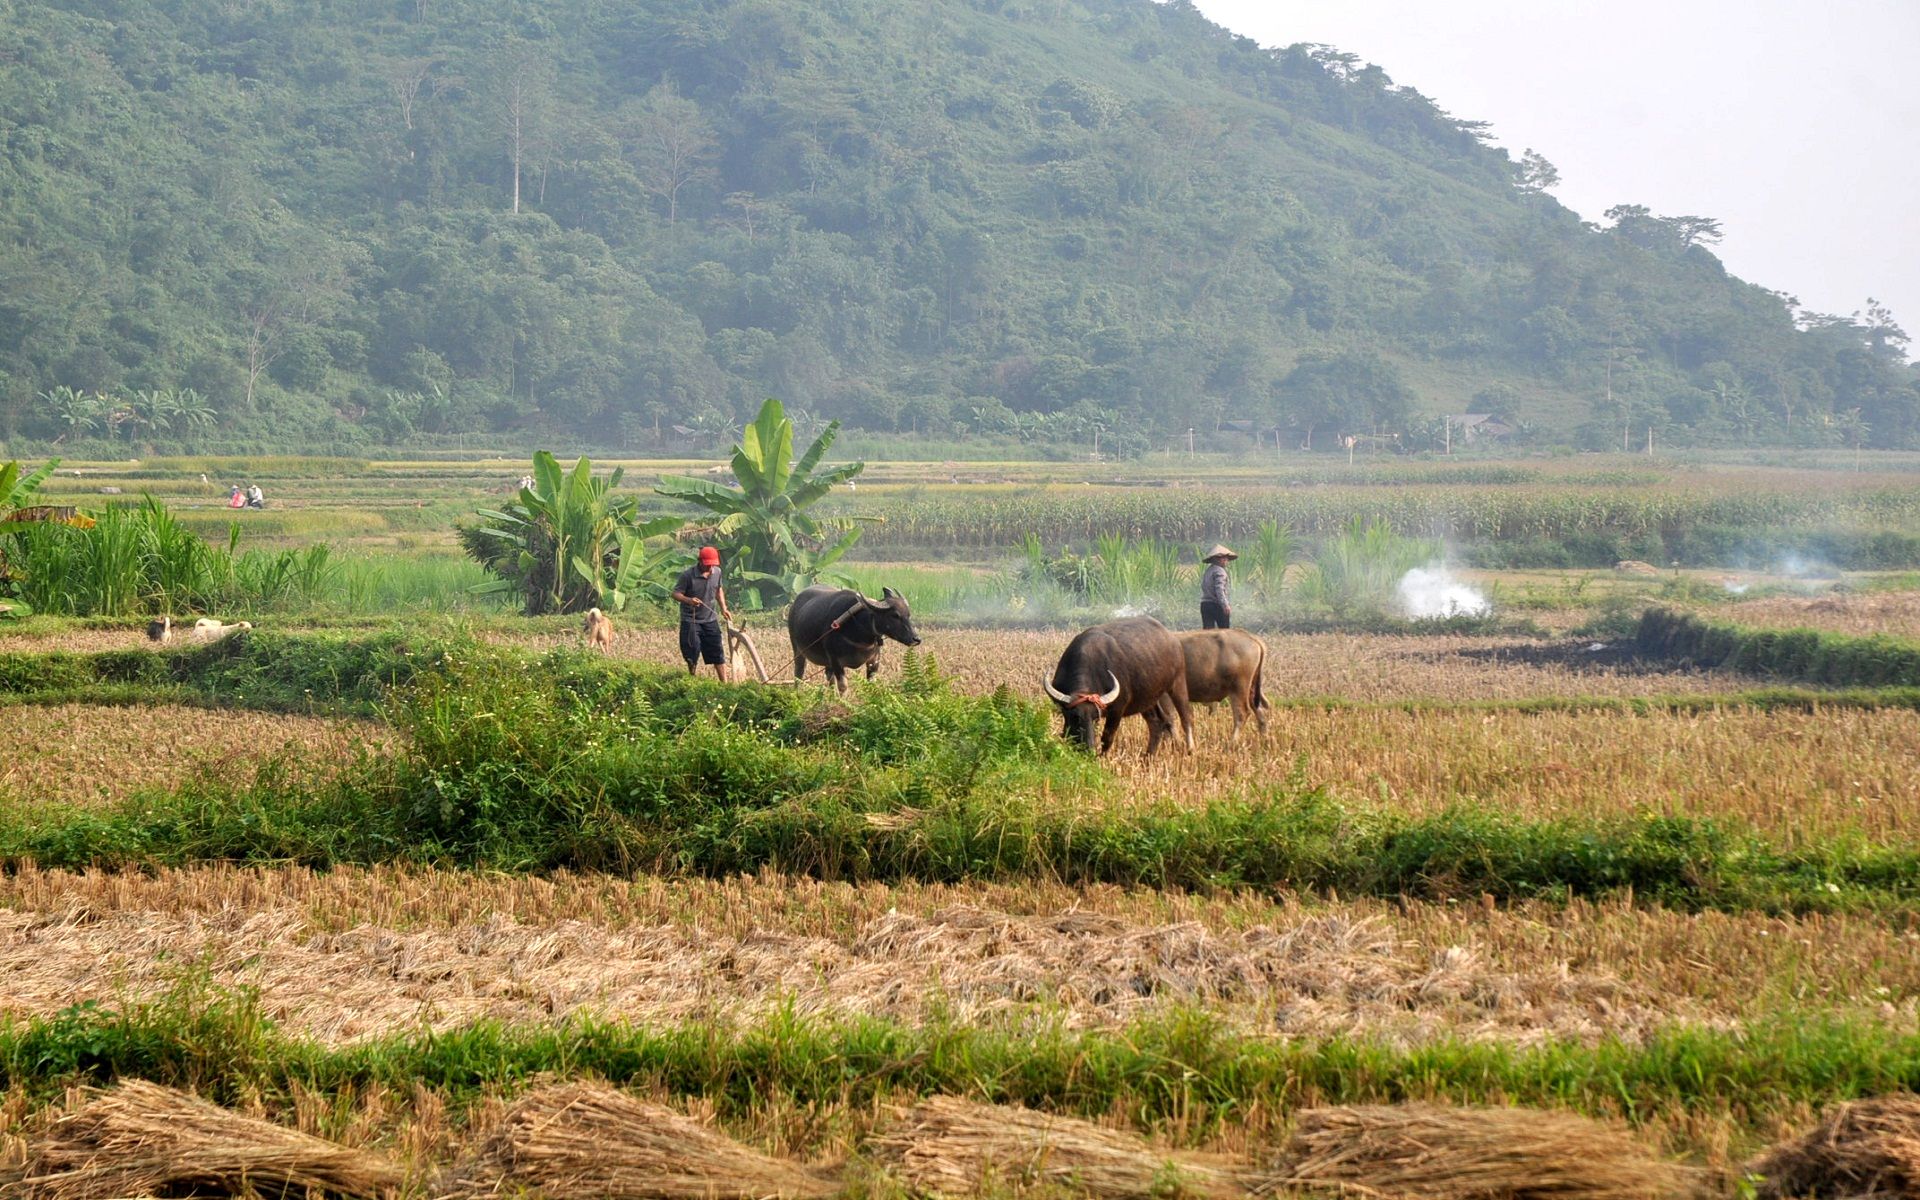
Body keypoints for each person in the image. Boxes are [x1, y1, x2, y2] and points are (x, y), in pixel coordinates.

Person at [671, 545, 734, 681]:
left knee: (717, 651)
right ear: (700, 561)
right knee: (692, 651)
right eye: (707, 564)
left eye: (712, 565)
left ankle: (725, 682)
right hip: (691, 620)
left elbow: (718, 590)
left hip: (710, 619)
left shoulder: (717, 572)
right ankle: (692, 678)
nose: (709, 568)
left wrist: (724, 608)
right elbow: (676, 593)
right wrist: (689, 600)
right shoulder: (688, 576)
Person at [1200, 544, 1236, 629]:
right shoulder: (1220, 571)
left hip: (1205, 604)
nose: (1226, 560)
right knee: (1224, 633)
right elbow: (1219, 590)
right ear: (1218, 559)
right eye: (1224, 558)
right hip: (1216, 605)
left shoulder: (1208, 571)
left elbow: (1204, 587)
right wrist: (1225, 605)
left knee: (1207, 634)